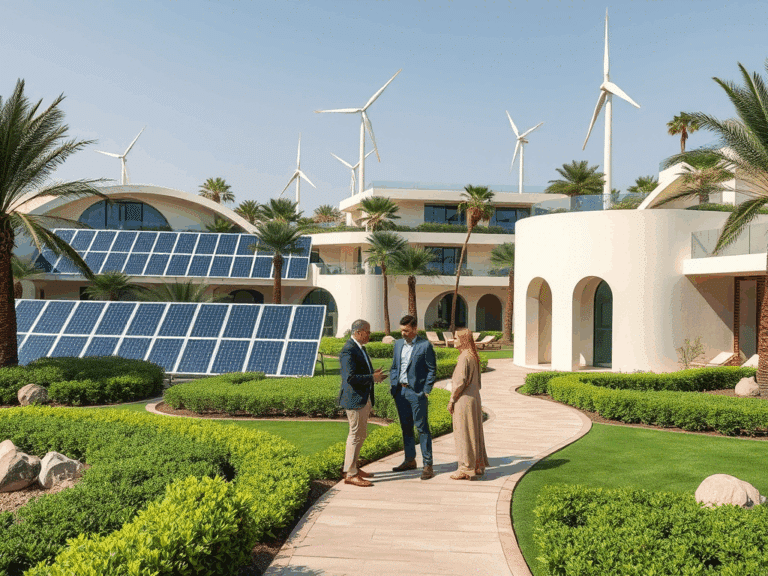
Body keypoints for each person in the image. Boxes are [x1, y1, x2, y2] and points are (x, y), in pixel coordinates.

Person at [338, 319, 388, 487]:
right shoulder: (349, 350)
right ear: (358, 332)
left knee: (360, 435)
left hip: (363, 397)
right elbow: (350, 377)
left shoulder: (360, 348)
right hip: (355, 399)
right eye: (367, 331)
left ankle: (353, 468)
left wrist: (373, 375)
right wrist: (372, 377)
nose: (369, 335)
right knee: (355, 435)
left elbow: (360, 372)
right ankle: (351, 474)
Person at [389, 314, 437, 480]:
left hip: (416, 393)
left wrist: (426, 390)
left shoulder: (425, 345)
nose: (403, 333)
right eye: (401, 330)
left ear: (415, 329)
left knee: (422, 428)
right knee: (406, 427)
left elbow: (432, 369)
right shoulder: (398, 344)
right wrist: (393, 384)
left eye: (406, 330)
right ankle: (410, 460)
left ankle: (428, 464)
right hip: (400, 392)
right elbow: (394, 367)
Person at [447, 328, 489, 480]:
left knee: (464, 433)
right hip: (474, 398)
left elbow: (460, 383)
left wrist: (452, 400)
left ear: (463, 340)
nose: (453, 340)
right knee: (474, 432)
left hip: (464, 400)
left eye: (456, 338)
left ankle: (466, 467)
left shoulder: (464, 357)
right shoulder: (473, 356)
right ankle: (477, 465)